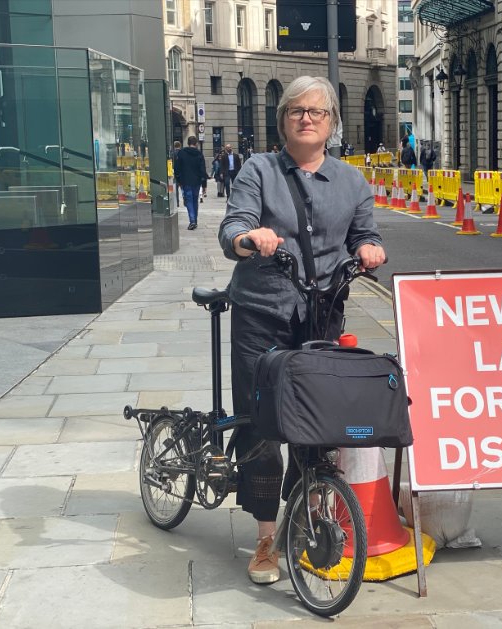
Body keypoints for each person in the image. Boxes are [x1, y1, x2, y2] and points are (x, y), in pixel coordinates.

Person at [218, 76, 385, 586]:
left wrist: (369, 249)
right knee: (261, 422)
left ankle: (306, 517)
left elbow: (365, 232)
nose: (306, 118)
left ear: (331, 122)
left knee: (317, 422)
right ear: (283, 119)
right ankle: (267, 537)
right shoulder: (259, 169)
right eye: (296, 110)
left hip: (321, 318)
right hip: (261, 314)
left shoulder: (352, 182)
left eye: (316, 111)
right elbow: (233, 227)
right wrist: (251, 237)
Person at [173, 135, 206, 229]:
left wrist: (179, 180)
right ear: (196, 143)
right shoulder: (199, 154)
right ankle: (194, 220)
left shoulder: (182, 153)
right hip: (196, 181)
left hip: (186, 181)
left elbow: (177, 168)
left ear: (188, 143)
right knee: (195, 200)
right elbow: (202, 170)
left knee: (189, 201)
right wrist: (204, 185)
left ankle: (192, 221)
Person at [171, 140, 182, 207]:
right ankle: (185, 199)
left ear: (174, 146)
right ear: (180, 146)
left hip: (175, 173)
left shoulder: (172, 154)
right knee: (183, 187)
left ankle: (177, 202)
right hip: (182, 173)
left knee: (176, 188)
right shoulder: (182, 153)